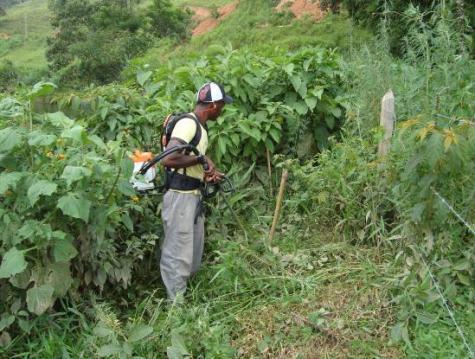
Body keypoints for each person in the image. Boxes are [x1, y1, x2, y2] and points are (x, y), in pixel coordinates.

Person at [159, 82, 233, 301]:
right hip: (180, 197)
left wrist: (206, 170)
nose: (222, 109)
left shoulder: (201, 128)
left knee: (191, 254)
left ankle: (183, 297)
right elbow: (169, 158)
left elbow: (190, 159)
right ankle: (176, 308)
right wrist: (200, 159)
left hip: (192, 196)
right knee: (177, 254)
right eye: (221, 105)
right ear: (212, 106)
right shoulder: (188, 124)